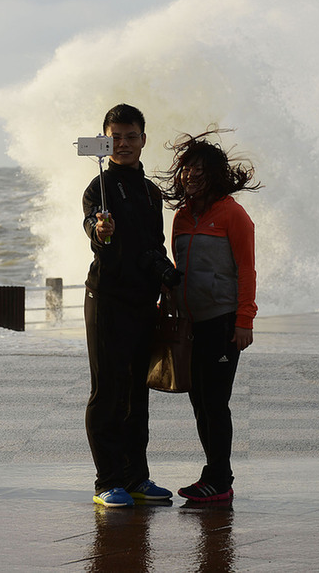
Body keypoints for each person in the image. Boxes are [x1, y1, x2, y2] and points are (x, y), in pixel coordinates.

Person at [82, 103, 178, 508]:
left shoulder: (150, 191)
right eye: (115, 137)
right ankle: (107, 481)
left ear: (143, 139)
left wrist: (166, 271)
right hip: (106, 300)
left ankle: (137, 477)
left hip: (143, 301)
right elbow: (94, 228)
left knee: (138, 392)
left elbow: (151, 244)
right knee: (108, 390)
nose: (123, 144)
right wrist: (101, 231)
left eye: (130, 136)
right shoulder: (97, 188)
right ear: (105, 140)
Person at [159, 129, 260, 503]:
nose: (191, 175)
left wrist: (244, 321)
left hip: (222, 322)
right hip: (191, 323)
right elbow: (180, 265)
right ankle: (214, 474)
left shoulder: (234, 215)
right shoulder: (183, 217)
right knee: (199, 399)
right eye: (187, 169)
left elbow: (246, 270)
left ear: (216, 174)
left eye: (200, 169)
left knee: (214, 400)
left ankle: (220, 477)